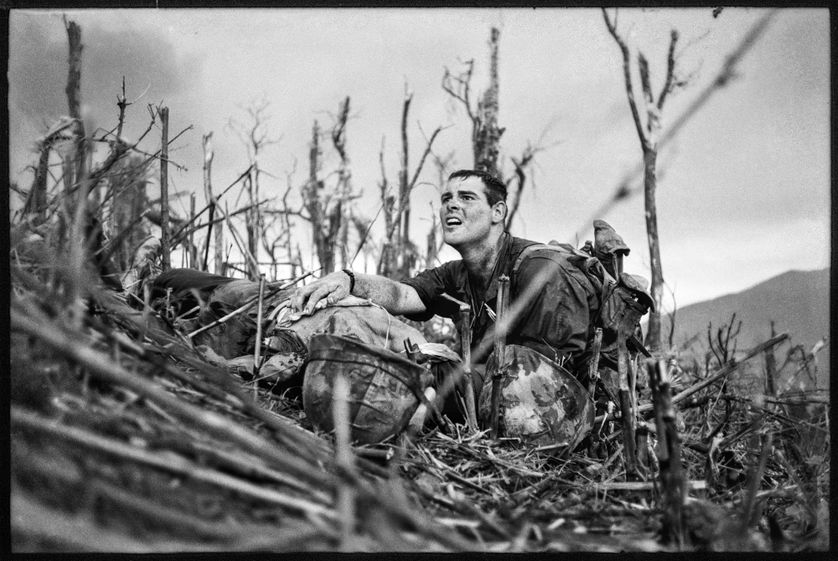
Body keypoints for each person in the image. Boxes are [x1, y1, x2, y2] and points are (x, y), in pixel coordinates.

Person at [290, 169, 600, 398]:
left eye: (466, 197)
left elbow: (544, 380)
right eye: (446, 199)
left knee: (414, 378)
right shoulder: (458, 273)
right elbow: (402, 294)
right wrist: (348, 280)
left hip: (551, 400)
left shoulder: (542, 271)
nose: (451, 205)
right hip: (492, 386)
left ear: (498, 211)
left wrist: (437, 376)